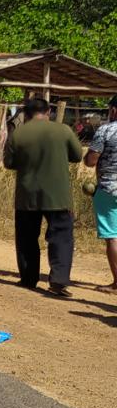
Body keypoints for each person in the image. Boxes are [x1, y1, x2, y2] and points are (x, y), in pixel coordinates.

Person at [4, 96, 84, 297]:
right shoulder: (63, 130)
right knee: (61, 238)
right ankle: (58, 281)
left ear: (27, 113)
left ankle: (29, 279)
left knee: (27, 238)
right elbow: (77, 156)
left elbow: (9, 162)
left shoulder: (18, 133)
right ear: (48, 112)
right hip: (58, 195)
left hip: (27, 195)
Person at [84, 94, 117, 294]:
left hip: (108, 189)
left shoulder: (105, 130)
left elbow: (90, 161)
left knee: (113, 237)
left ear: (113, 110)